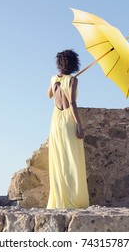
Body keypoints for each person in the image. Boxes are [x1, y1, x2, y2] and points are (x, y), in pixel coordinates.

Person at [46, 49, 89, 209]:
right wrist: (79, 124)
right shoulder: (73, 80)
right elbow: (71, 103)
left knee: (59, 159)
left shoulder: (52, 78)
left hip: (55, 121)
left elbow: (49, 95)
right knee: (72, 160)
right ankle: (74, 199)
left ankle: (59, 199)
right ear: (73, 63)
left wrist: (57, 84)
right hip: (67, 120)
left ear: (59, 63)